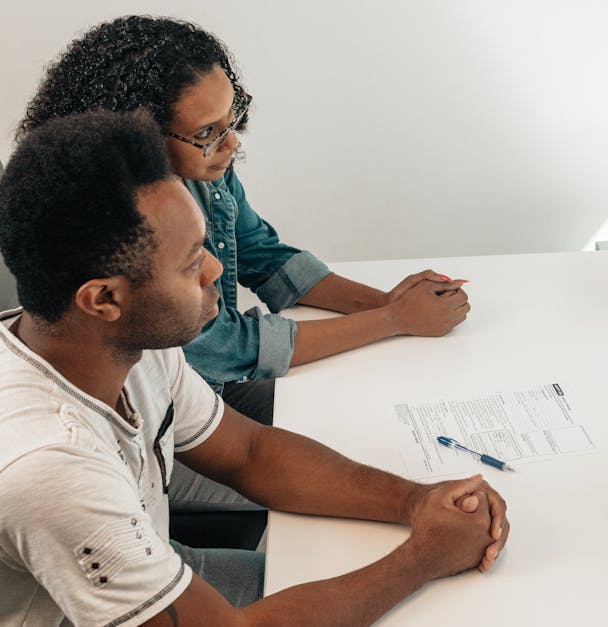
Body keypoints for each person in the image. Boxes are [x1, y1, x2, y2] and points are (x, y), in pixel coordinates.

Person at [0, 110, 509, 624]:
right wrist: (424, 557)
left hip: (158, 564)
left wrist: (418, 502)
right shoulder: (49, 467)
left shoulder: (127, 341)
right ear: (104, 299)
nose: (215, 270)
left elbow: (250, 453)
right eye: (192, 262)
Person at [18, 15, 471, 530]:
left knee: (356, 435)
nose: (231, 144)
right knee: (330, 491)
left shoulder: (206, 174)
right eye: (207, 133)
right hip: (165, 432)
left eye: (232, 121)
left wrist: (391, 303)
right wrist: (393, 320)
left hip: (202, 403)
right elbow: (223, 345)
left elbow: (264, 255)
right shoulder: (104, 228)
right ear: (137, 135)